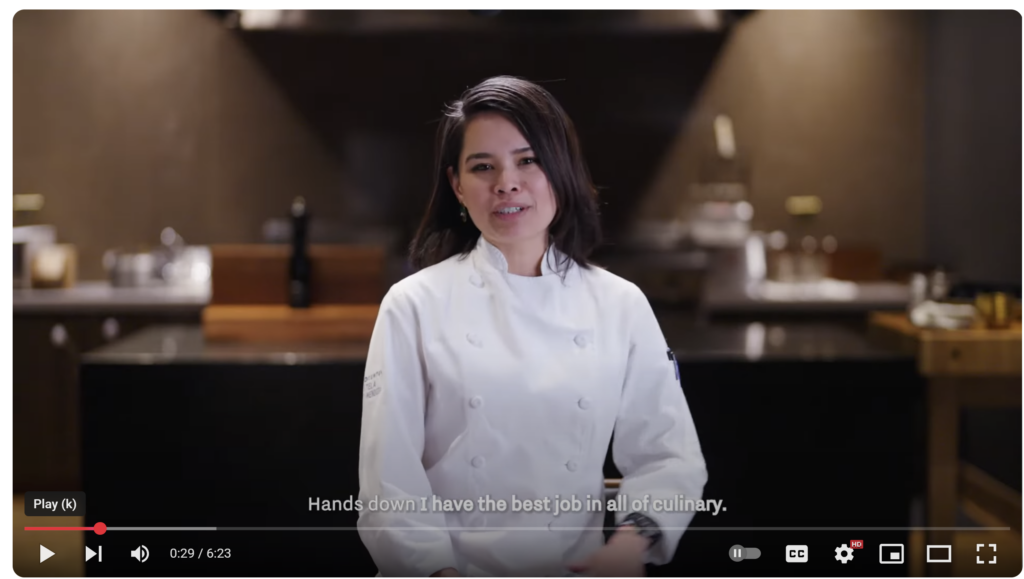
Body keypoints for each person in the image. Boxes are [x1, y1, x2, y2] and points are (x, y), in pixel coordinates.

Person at [357, 76, 707, 577]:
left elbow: (669, 458)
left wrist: (627, 550)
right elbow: (389, 485)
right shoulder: (412, 305)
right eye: (483, 167)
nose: (506, 182)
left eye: (528, 160)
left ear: (559, 171)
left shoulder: (620, 305)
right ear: (457, 185)